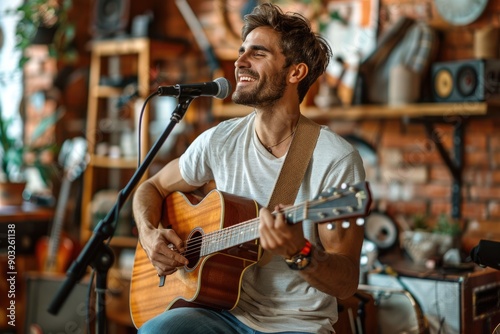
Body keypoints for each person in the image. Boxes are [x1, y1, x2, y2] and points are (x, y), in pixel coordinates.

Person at [132, 3, 366, 333]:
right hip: (220, 310)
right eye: (242, 51)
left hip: (296, 324)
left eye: (257, 53)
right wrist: (149, 234)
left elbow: (345, 283)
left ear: (295, 73)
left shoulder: (335, 159)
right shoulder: (219, 140)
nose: (240, 61)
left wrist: (299, 251)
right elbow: (151, 187)